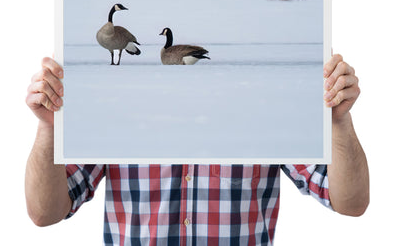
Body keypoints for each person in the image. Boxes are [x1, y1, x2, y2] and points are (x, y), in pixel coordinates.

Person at [25, 54, 369, 245]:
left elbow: (351, 202)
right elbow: (45, 212)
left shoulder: (264, 104)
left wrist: (338, 122)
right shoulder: (115, 101)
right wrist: (48, 128)